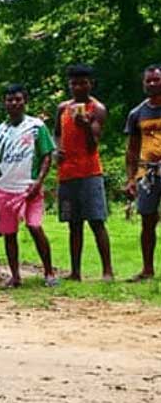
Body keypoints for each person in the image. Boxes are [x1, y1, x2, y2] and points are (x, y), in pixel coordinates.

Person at [0, 84, 57, 288]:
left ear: (25, 101)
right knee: (9, 234)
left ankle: (49, 272)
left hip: (30, 188)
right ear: (5, 103)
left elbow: (47, 155)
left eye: (18, 99)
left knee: (34, 226)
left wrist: (39, 181)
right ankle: (15, 275)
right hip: (5, 188)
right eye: (10, 100)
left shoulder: (36, 126)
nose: (14, 103)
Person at [54, 64, 113, 282]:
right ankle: (75, 271)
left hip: (89, 173)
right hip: (67, 173)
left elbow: (93, 145)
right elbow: (57, 133)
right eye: (74, 83)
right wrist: (57, 149)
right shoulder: (63, 108)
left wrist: (86, 126)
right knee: (73, 223)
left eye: (83, 83)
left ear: (91, 84)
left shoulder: (97, 109)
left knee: (97, 221)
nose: (78, 87)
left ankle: (107, 270)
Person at [124, 64, 161, 281]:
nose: (153, 84)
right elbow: (131, 149)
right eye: (149, 81)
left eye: (156, 80)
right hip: (147, 173)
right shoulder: (137, 113)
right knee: (147, 219)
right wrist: (130, 178)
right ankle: (147, 269)